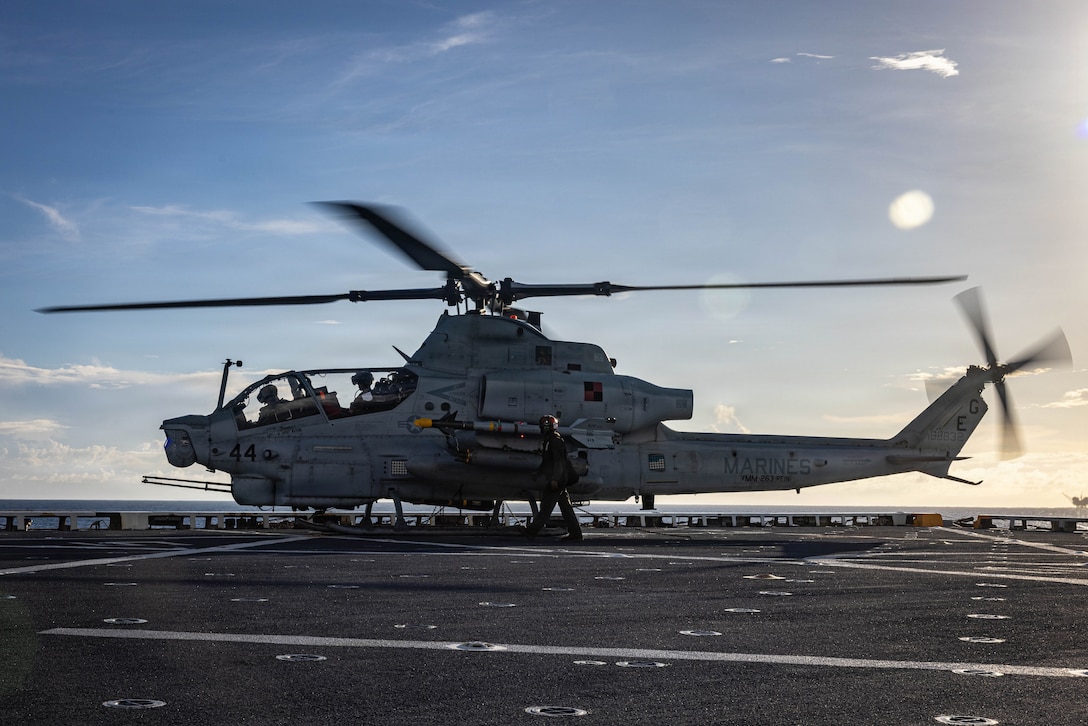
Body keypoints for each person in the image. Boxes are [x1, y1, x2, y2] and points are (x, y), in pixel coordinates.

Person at [525, 415, 582, 541]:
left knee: (546, 507)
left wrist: (554, 479)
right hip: (558, 478)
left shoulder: (554, 440)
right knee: (566, 508)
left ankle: (531, 532)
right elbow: (547, 461)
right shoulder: (550, 440)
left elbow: (558, 461)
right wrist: (539, 473)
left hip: (557, 480)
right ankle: (576, 534)